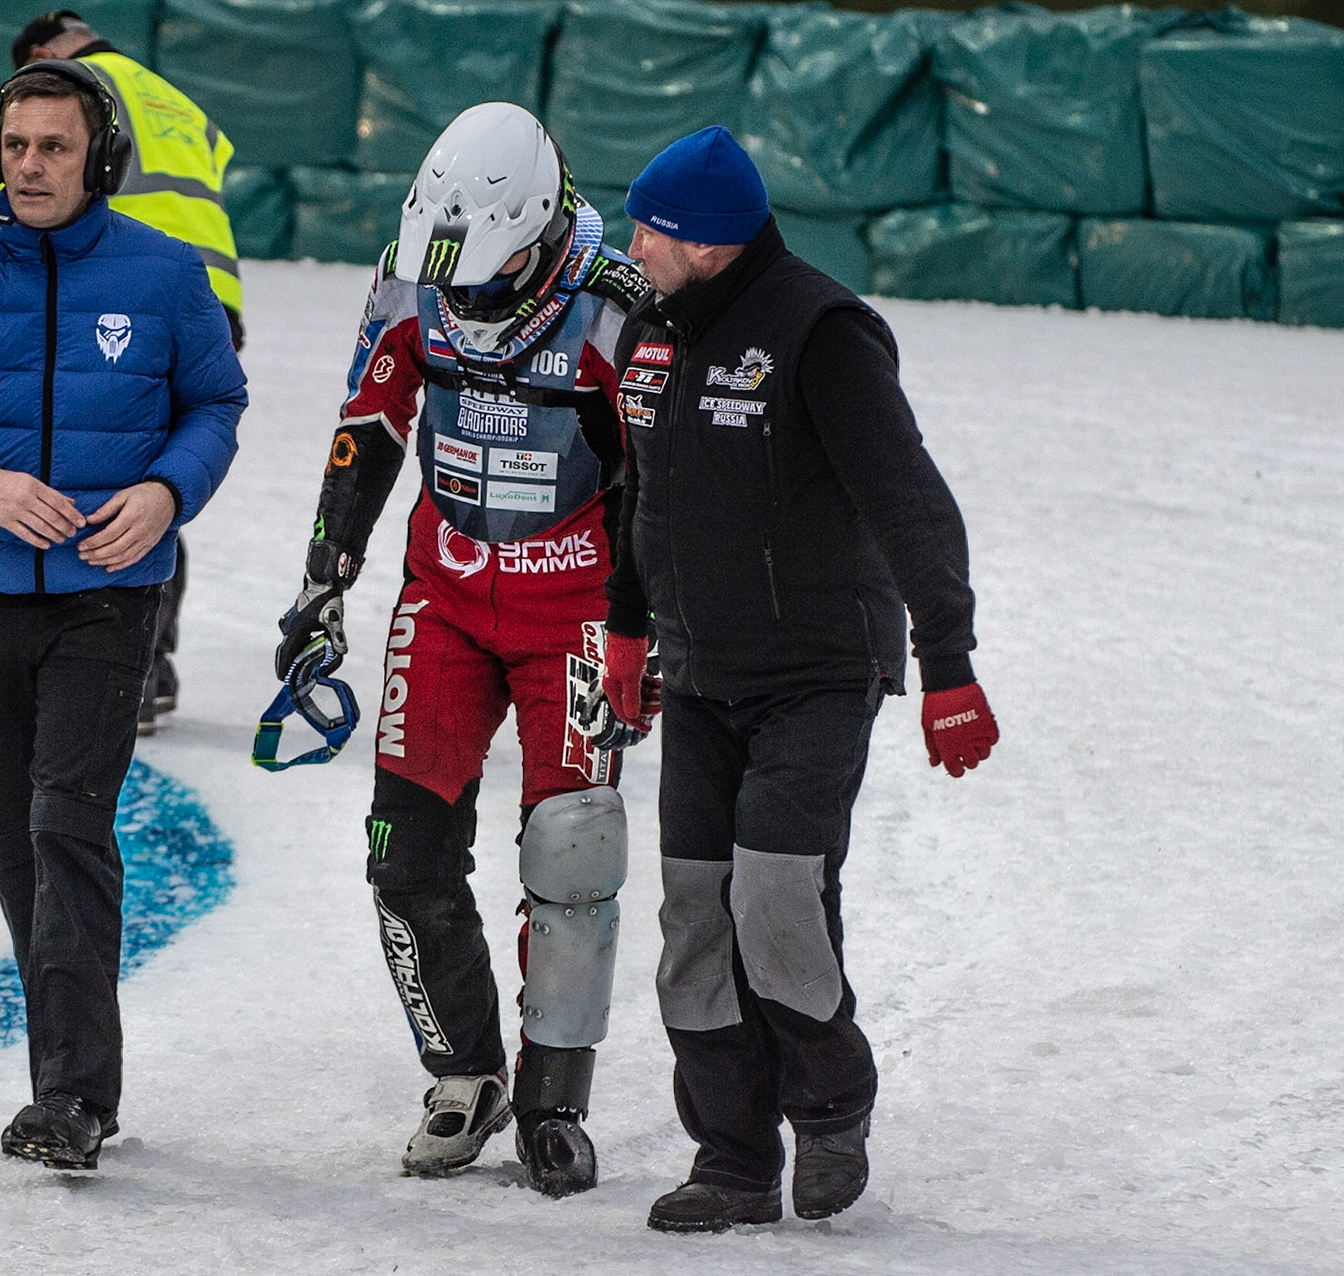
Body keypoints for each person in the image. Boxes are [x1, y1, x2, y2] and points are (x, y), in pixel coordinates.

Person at [598, 126, 1000, 1233]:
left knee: (774, 890)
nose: (633, 245)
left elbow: (909, 500)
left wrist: (948, 664)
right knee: (692, 913)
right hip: (702, 673)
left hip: (819, 670)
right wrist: (629, 633)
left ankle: (830, 1108)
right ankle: (731, 1155)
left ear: (713, 244)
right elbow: (640, 496)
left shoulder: (821, 332)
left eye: (652, 230)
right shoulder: (652, 329)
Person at [0, 60, 246, 1170]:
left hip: (110, 603)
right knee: (11, 843)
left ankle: (72, 1097)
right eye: (16, 146)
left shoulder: (164, 277)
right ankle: (67, 1072)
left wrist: (169, 489)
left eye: (55, 147)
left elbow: (218, 401)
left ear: (97, 159)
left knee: (67, 823)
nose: (31, 165)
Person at [273, 102, 652, 1197]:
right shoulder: (408, 276)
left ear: (542, 234)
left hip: (576, 606)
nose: (465, 302)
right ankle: (464, 1072)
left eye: (488, 281)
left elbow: (657, 485)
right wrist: (323, 579)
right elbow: (368, 423)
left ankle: (553, 1100)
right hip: (442, 597)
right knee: (404, 853)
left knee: (573, 854)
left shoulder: (617, 305)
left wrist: (647, 628)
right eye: (451, 282)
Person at [14, 9, 247, 734]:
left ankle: (128, 673)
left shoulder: (80, 90)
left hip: (131, 297)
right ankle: (151, 670)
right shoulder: (170, 96)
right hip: (213, 299)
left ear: (48, 55)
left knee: (105, 479)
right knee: (154, 484)